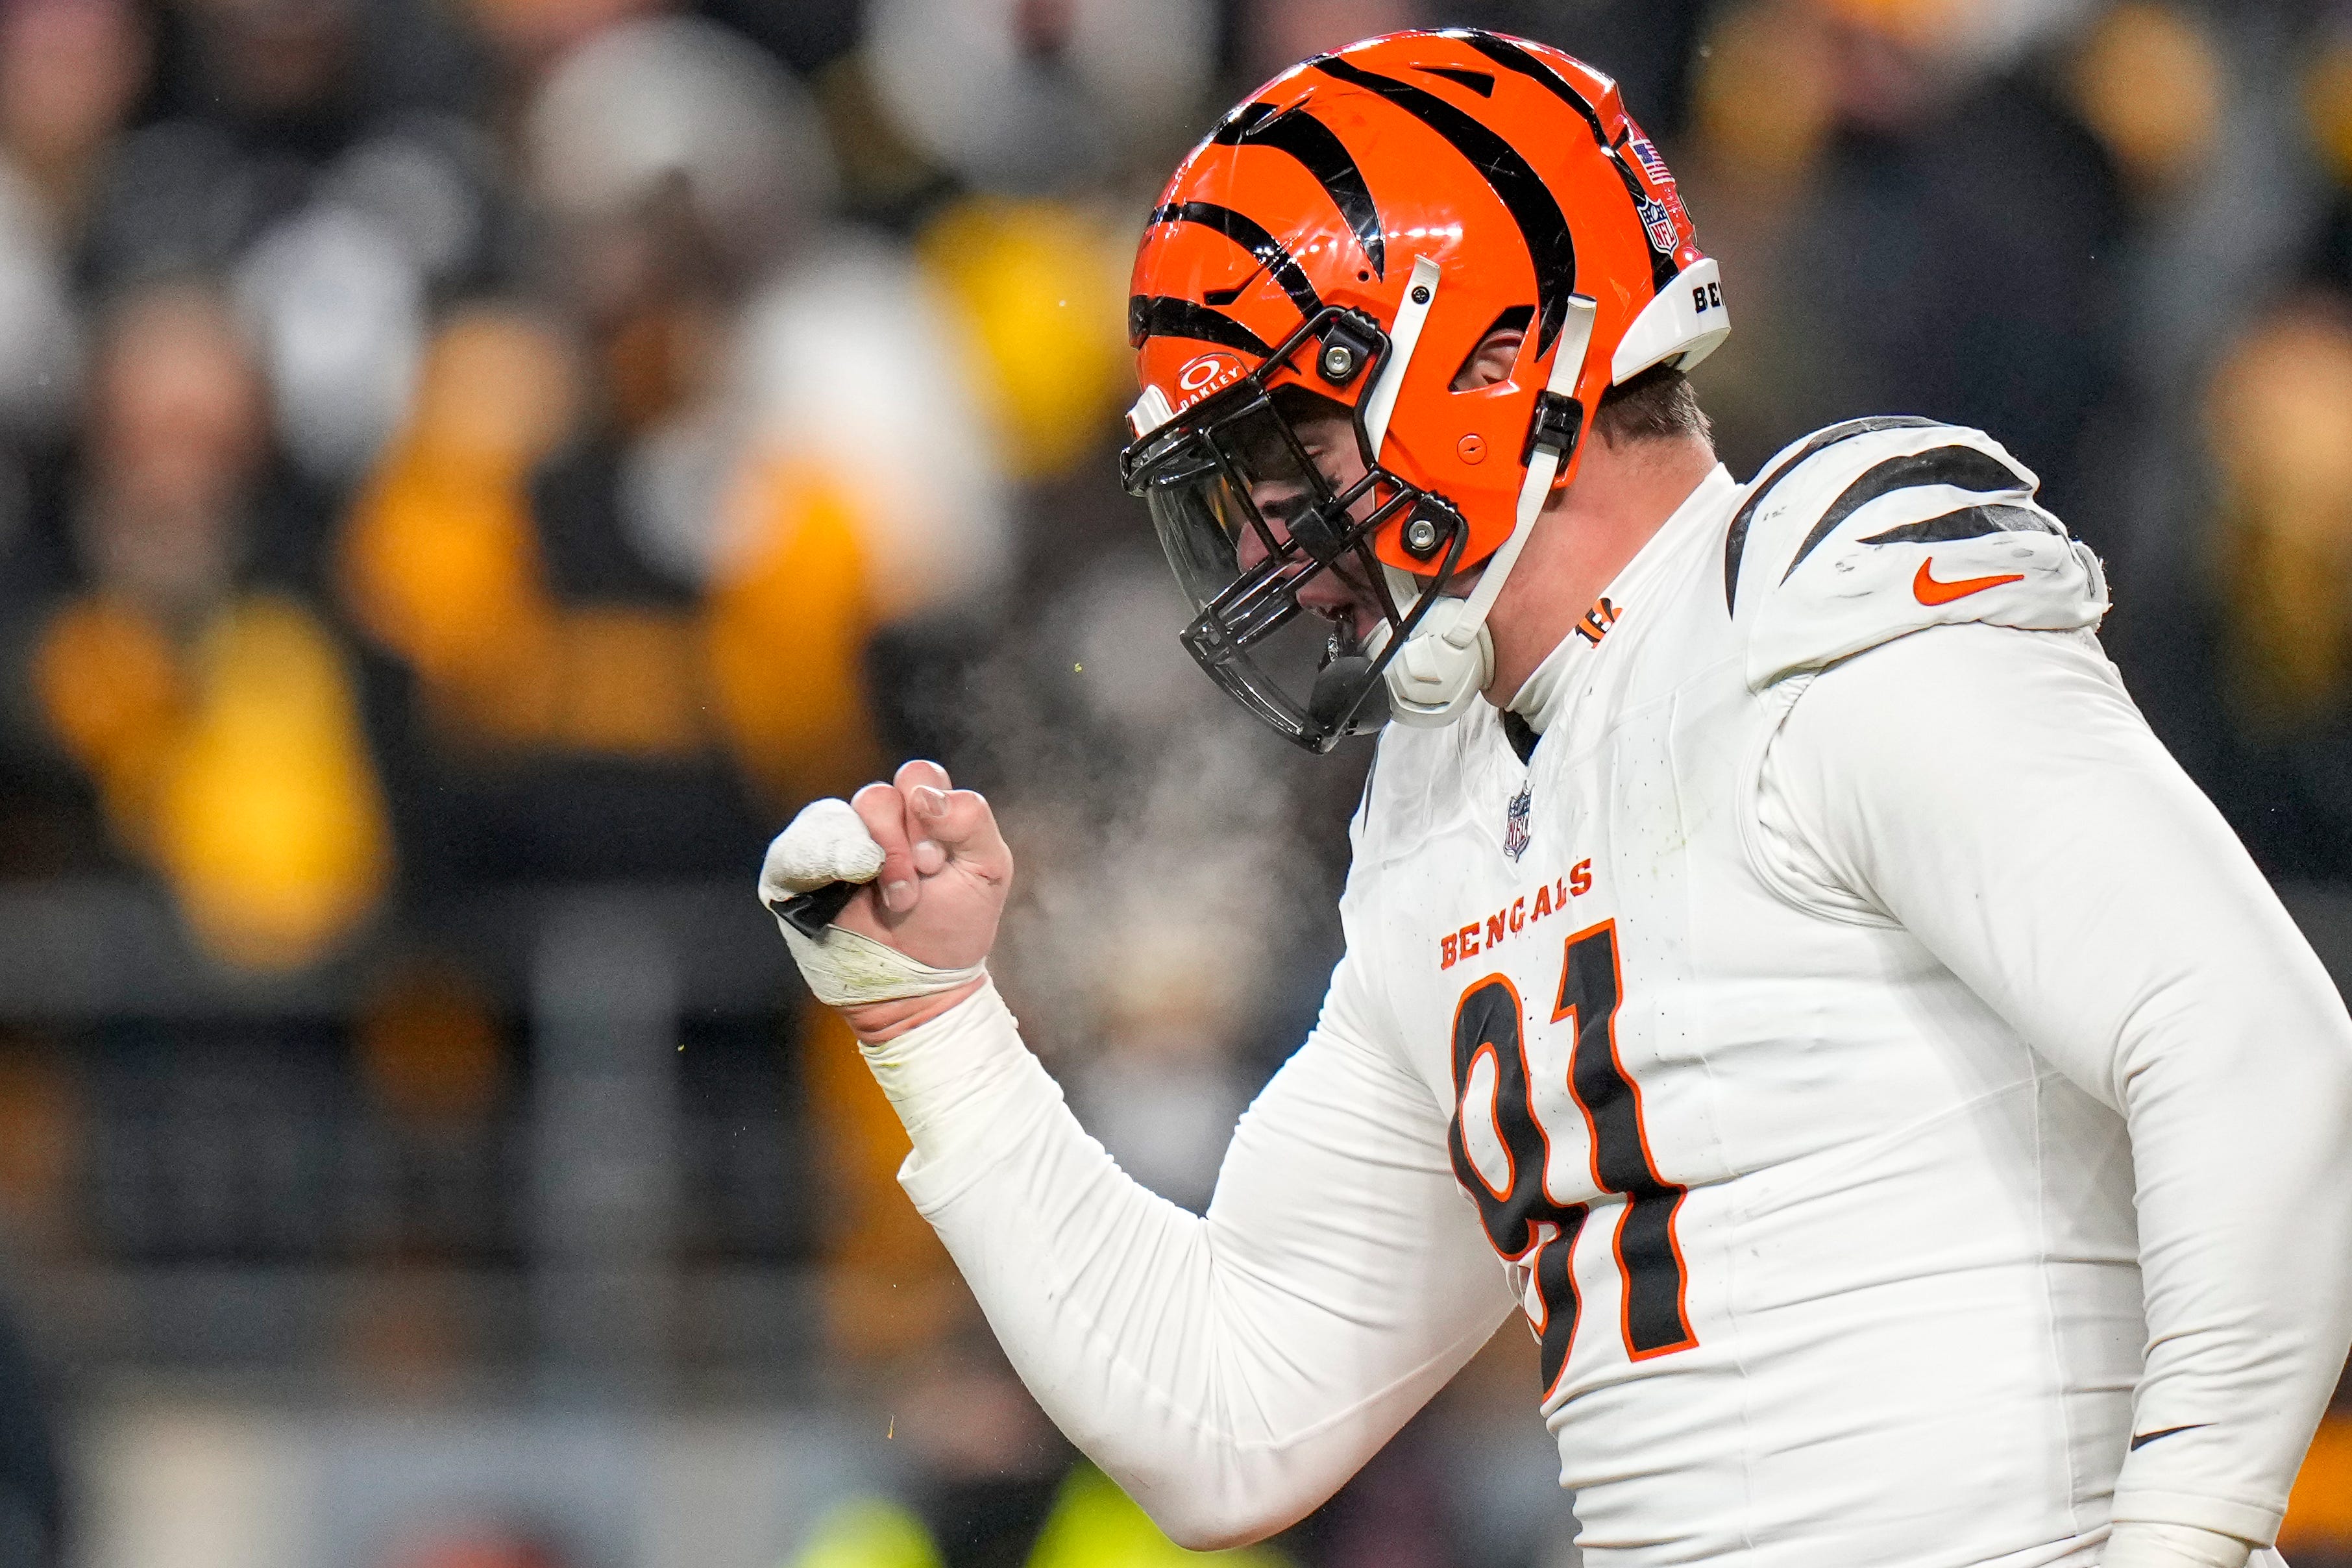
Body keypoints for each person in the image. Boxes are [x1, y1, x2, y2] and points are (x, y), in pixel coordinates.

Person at [759, 29, 2352, 1568]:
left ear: (1500, 359)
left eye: (1291, 451)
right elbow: (1229, 1410)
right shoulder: (1448, 796)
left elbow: (2255, 1044)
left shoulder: (1815, 611)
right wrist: (934, 1023)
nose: (1264, 542)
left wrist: (2189, 1527)